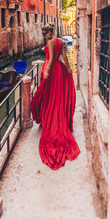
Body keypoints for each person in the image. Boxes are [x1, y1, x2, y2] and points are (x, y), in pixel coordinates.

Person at [31, 22, 80, 170]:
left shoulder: (51, 42)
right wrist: (69, 69)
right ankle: (49, 117)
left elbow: (51, 59)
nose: (44, 36)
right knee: (55, 96)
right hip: (60, 69)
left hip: (51, 70)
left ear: (49, 32)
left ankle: (48, 119)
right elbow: (63, 56)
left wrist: (46, 72)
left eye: (44, 34)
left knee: (47, 97)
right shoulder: (60, 40)